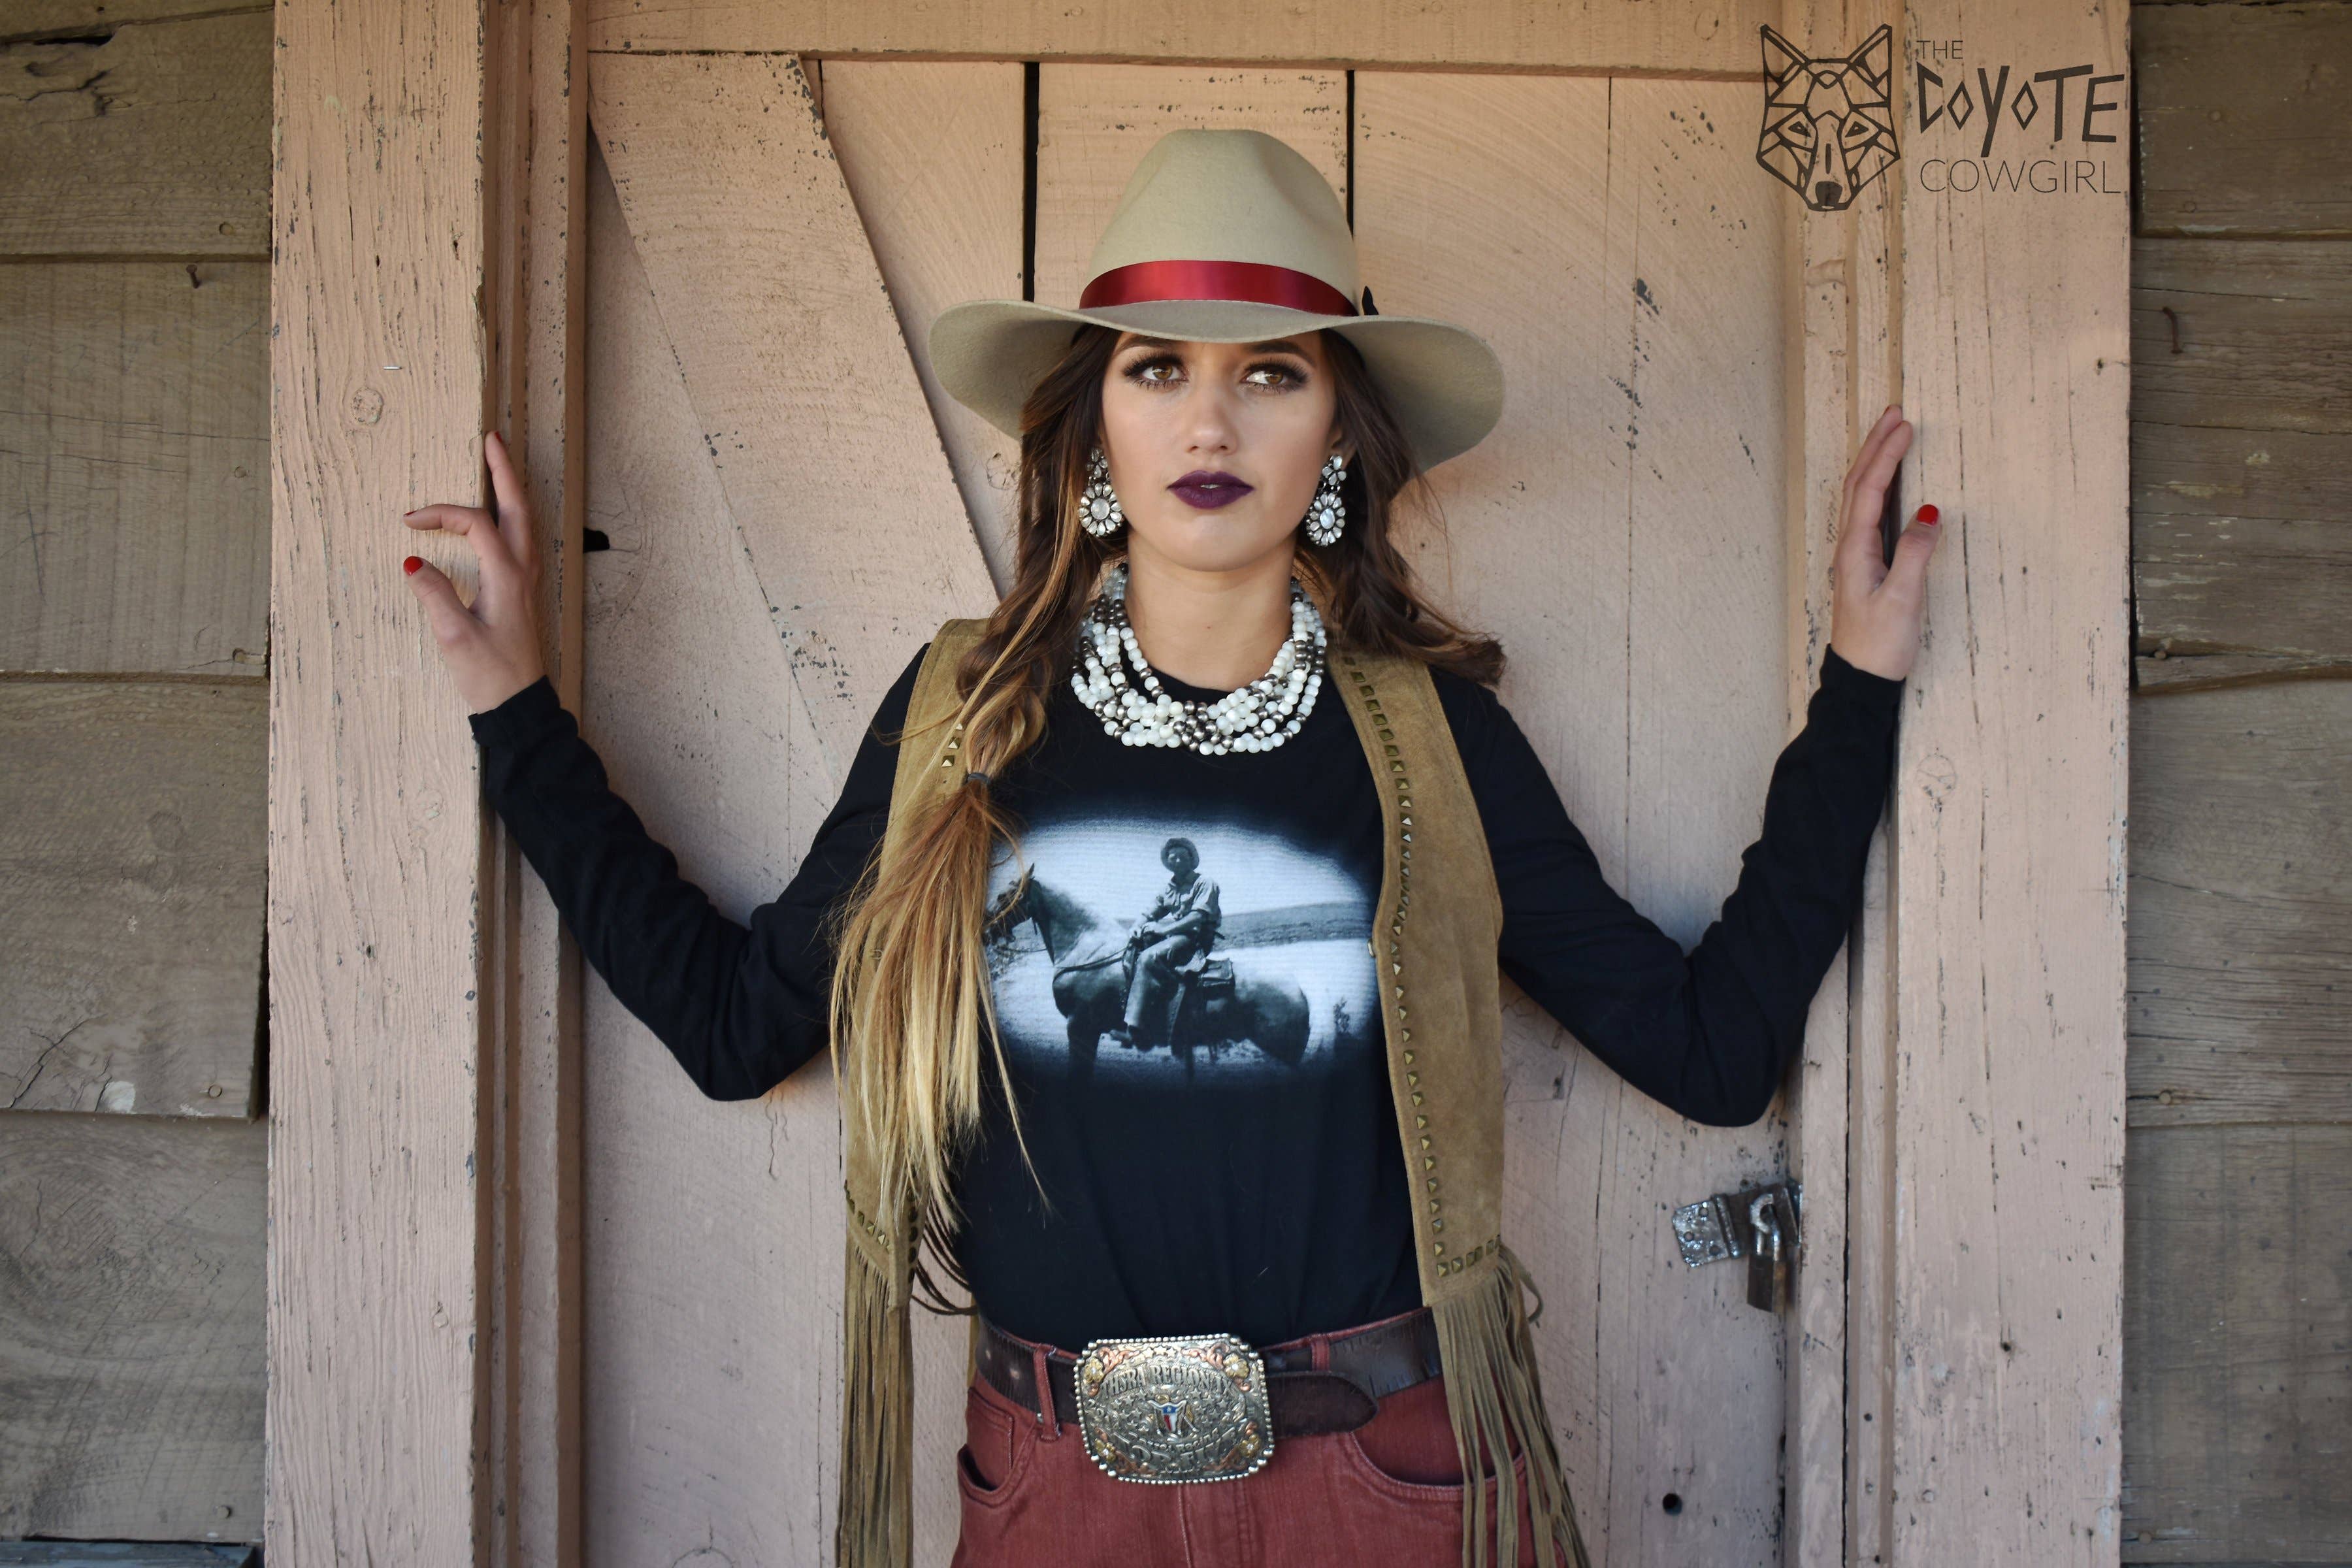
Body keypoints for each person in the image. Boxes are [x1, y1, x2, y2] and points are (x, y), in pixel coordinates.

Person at [400, 128, 1940, 1568]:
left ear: (1336, 433)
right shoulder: (962, 721)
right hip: (1058, 1492)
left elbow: (1710, 1054)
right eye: (1157, 369)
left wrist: (1859, 688)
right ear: (1095, 428)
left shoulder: (1433, 748)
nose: (1210, 423)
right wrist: (517, 716)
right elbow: (737, 1027)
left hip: (1383, 1488)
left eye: (1270, 372)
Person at [1113, 836, 1222, 1048]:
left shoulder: (1205, 883)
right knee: (1133, 952)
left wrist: (1163, 929)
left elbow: (1197, 917)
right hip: (1176, 936)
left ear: (1192, 859)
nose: (1178, 861)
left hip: (1196, 938)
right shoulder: (1169, 887)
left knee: (1148, 958)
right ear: (1168, 862)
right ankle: (1145, 1008)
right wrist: (1136, 926)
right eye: (1173, 858)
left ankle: (1134, 1030)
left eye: (1183, 857)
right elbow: (1150, 912)